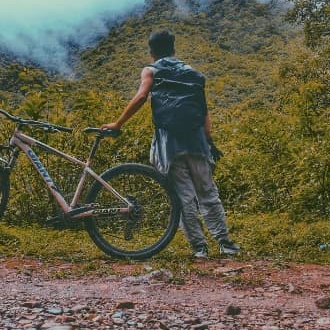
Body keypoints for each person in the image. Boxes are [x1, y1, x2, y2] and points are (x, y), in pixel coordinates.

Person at [101, 29, 240, 259]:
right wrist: (209, 142)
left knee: (184, 197)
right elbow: (204, 113)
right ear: (174, 49)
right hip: (196, 142)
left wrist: (118, 123)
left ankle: (199, 247)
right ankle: (225, 243)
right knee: (208, 193)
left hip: (170, 144)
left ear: (152, 52)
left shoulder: (151, 70)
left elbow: (141, 97)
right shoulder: (193, 73)